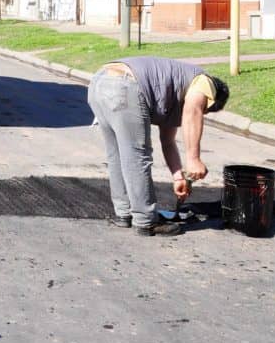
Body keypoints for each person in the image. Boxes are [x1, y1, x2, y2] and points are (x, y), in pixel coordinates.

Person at [87, 56, 230, 237]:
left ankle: (124, 213)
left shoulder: (172, 94)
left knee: (117, 154)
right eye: (206, 109)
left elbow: (168, 142)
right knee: (137, 156)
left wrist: (178, 177)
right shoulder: (204, 81)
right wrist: (193, 159)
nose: (203, 109)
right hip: (125, 85)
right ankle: (146, 221)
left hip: (99, 82)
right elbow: (193, 111)